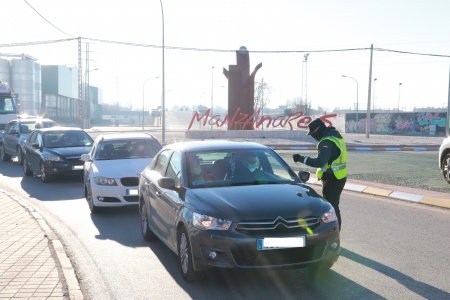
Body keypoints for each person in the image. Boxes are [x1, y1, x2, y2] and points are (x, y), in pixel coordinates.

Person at [293, 118, 347, 230]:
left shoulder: (327, 141)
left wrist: (300, 158)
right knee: (333, 206)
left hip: (332, 178)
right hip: (339, 176)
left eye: (312, 133)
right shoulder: (334, 136)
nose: (313, 136)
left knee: (331, 208)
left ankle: (334, 233)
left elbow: (319, 162)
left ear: (318, 130)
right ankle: (336, 232)